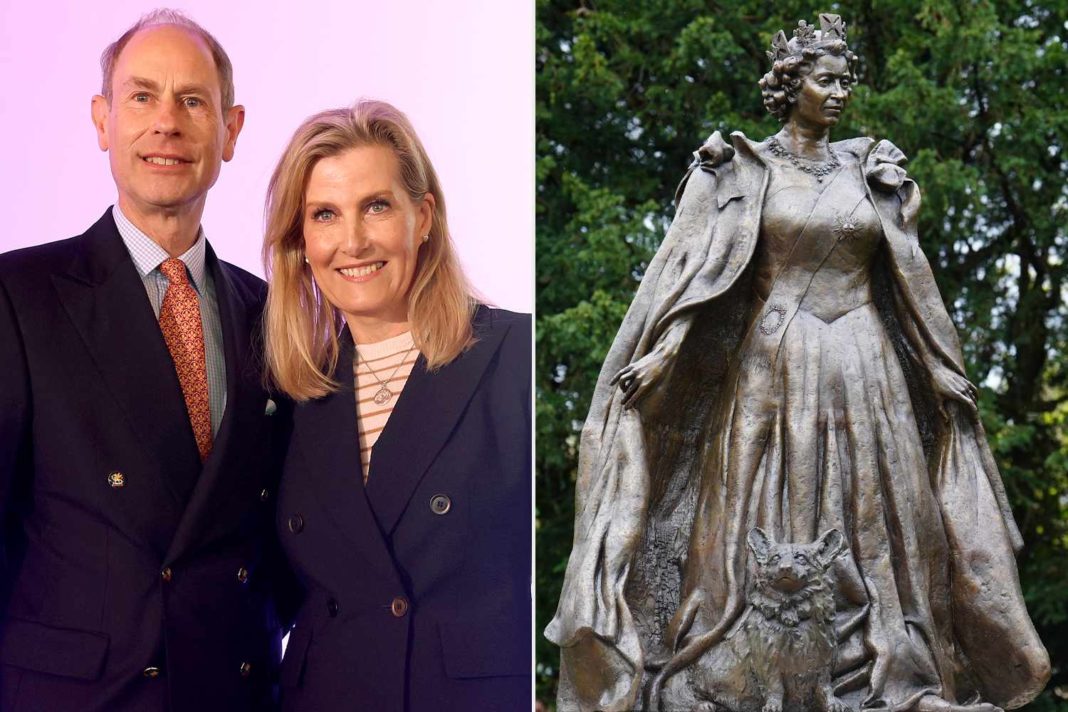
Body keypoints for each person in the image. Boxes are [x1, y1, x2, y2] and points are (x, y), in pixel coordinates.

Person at [546, 14, 1050, 712]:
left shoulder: (871, 166)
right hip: (771, 364)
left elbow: (905, 276)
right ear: (789, 88)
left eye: (846, 80)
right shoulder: (743, 166)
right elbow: (695, 273)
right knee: (759, 509)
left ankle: (892, 672)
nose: (840, 93)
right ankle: (756, 673)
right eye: (825, 80)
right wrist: (662, 350)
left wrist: (936, 361)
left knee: (889, 517)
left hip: (867, 361)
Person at [0, 10, 292, 711]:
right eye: (142, 96)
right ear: (102, 120)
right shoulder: (18, 297)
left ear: (231, 130)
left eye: (194, 100)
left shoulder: (276, 316)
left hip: (235, 693)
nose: (168, 123)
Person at [262, 100, 531, 711]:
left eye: (376, 206)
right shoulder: (290, 395)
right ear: (301, 242)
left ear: (424, 216)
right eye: (325, 215)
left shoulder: (514, 357)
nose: (352, 241)